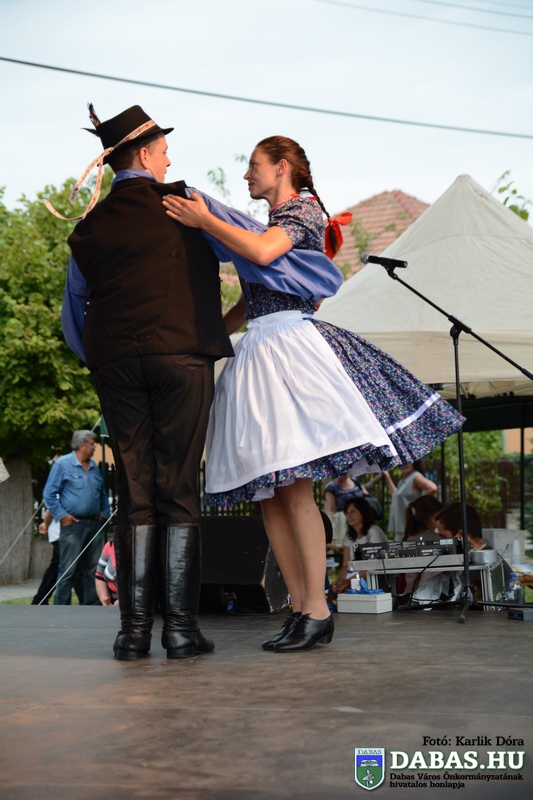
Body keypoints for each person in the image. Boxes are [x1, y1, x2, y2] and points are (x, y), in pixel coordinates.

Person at [163, 135, 464, 653]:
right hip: (261, 346)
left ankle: (319, 610)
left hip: (289, 349)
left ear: (282, 167)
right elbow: (252, 300)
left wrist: (205, 220)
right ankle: (302, 606)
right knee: (271, 494)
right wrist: (207, 336)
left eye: (254, 166)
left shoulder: (301, 211)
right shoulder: (269, 222)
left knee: (295, 487)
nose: (246, 175)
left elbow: (262, 252)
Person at [50, 104, 234, 660]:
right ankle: (179, 630)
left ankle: (132, 633)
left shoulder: (90, 226)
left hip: (116, 365)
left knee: (134, 490)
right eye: (164, 151)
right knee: (177, 487)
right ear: (147, 153)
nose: (169, 160)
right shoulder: (187, 202)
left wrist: (104, 358)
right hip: (182, 355)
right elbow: (249, 248)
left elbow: (73, 311)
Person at [42, 430, 110, 605]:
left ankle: (92, 606)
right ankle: (61, 608)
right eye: (91, 444)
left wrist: (105, 513)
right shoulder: (62, 464)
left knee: (93, 569)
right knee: (68, 570)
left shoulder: (93, 466)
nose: (94, 447)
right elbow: (49, 494)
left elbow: (102, 493)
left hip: (94, 523)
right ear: (81, 445)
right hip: (73, 525)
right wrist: (62, 516)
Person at [329, 497, 388, 598]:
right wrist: (338, 581)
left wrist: (349, 581)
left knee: (348, 588)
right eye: (347, 512)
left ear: (363, 512)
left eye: (353, 511)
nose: (349, 515)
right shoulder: (349, 536)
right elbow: (345, 565)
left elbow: (373, 565)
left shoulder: (373, 531)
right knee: (333, 589)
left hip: (374, 576)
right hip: (356, 575)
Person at [32, 509, 84, 605]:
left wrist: (46, 523)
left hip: (63, 534)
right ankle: (85, 600)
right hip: (63, 534)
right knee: (75, 568)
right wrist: (46, 524)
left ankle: (39, 600)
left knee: (56, 568)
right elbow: (51, 509)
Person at [383, 461, 438, 541]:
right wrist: (386, 476)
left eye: (408, 462)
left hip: (409, 527)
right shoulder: (404, 479)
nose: (405, 464)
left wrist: (417, 504)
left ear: (415, 463)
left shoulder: (416, 476)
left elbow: (432, 487)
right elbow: (395, 495)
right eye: (402, 461)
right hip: (402, 527)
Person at [95, 538, 119, 606]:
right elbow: (99, 576)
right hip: (112, 602)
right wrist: (104, 599)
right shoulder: (109, 545)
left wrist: (124, 601)